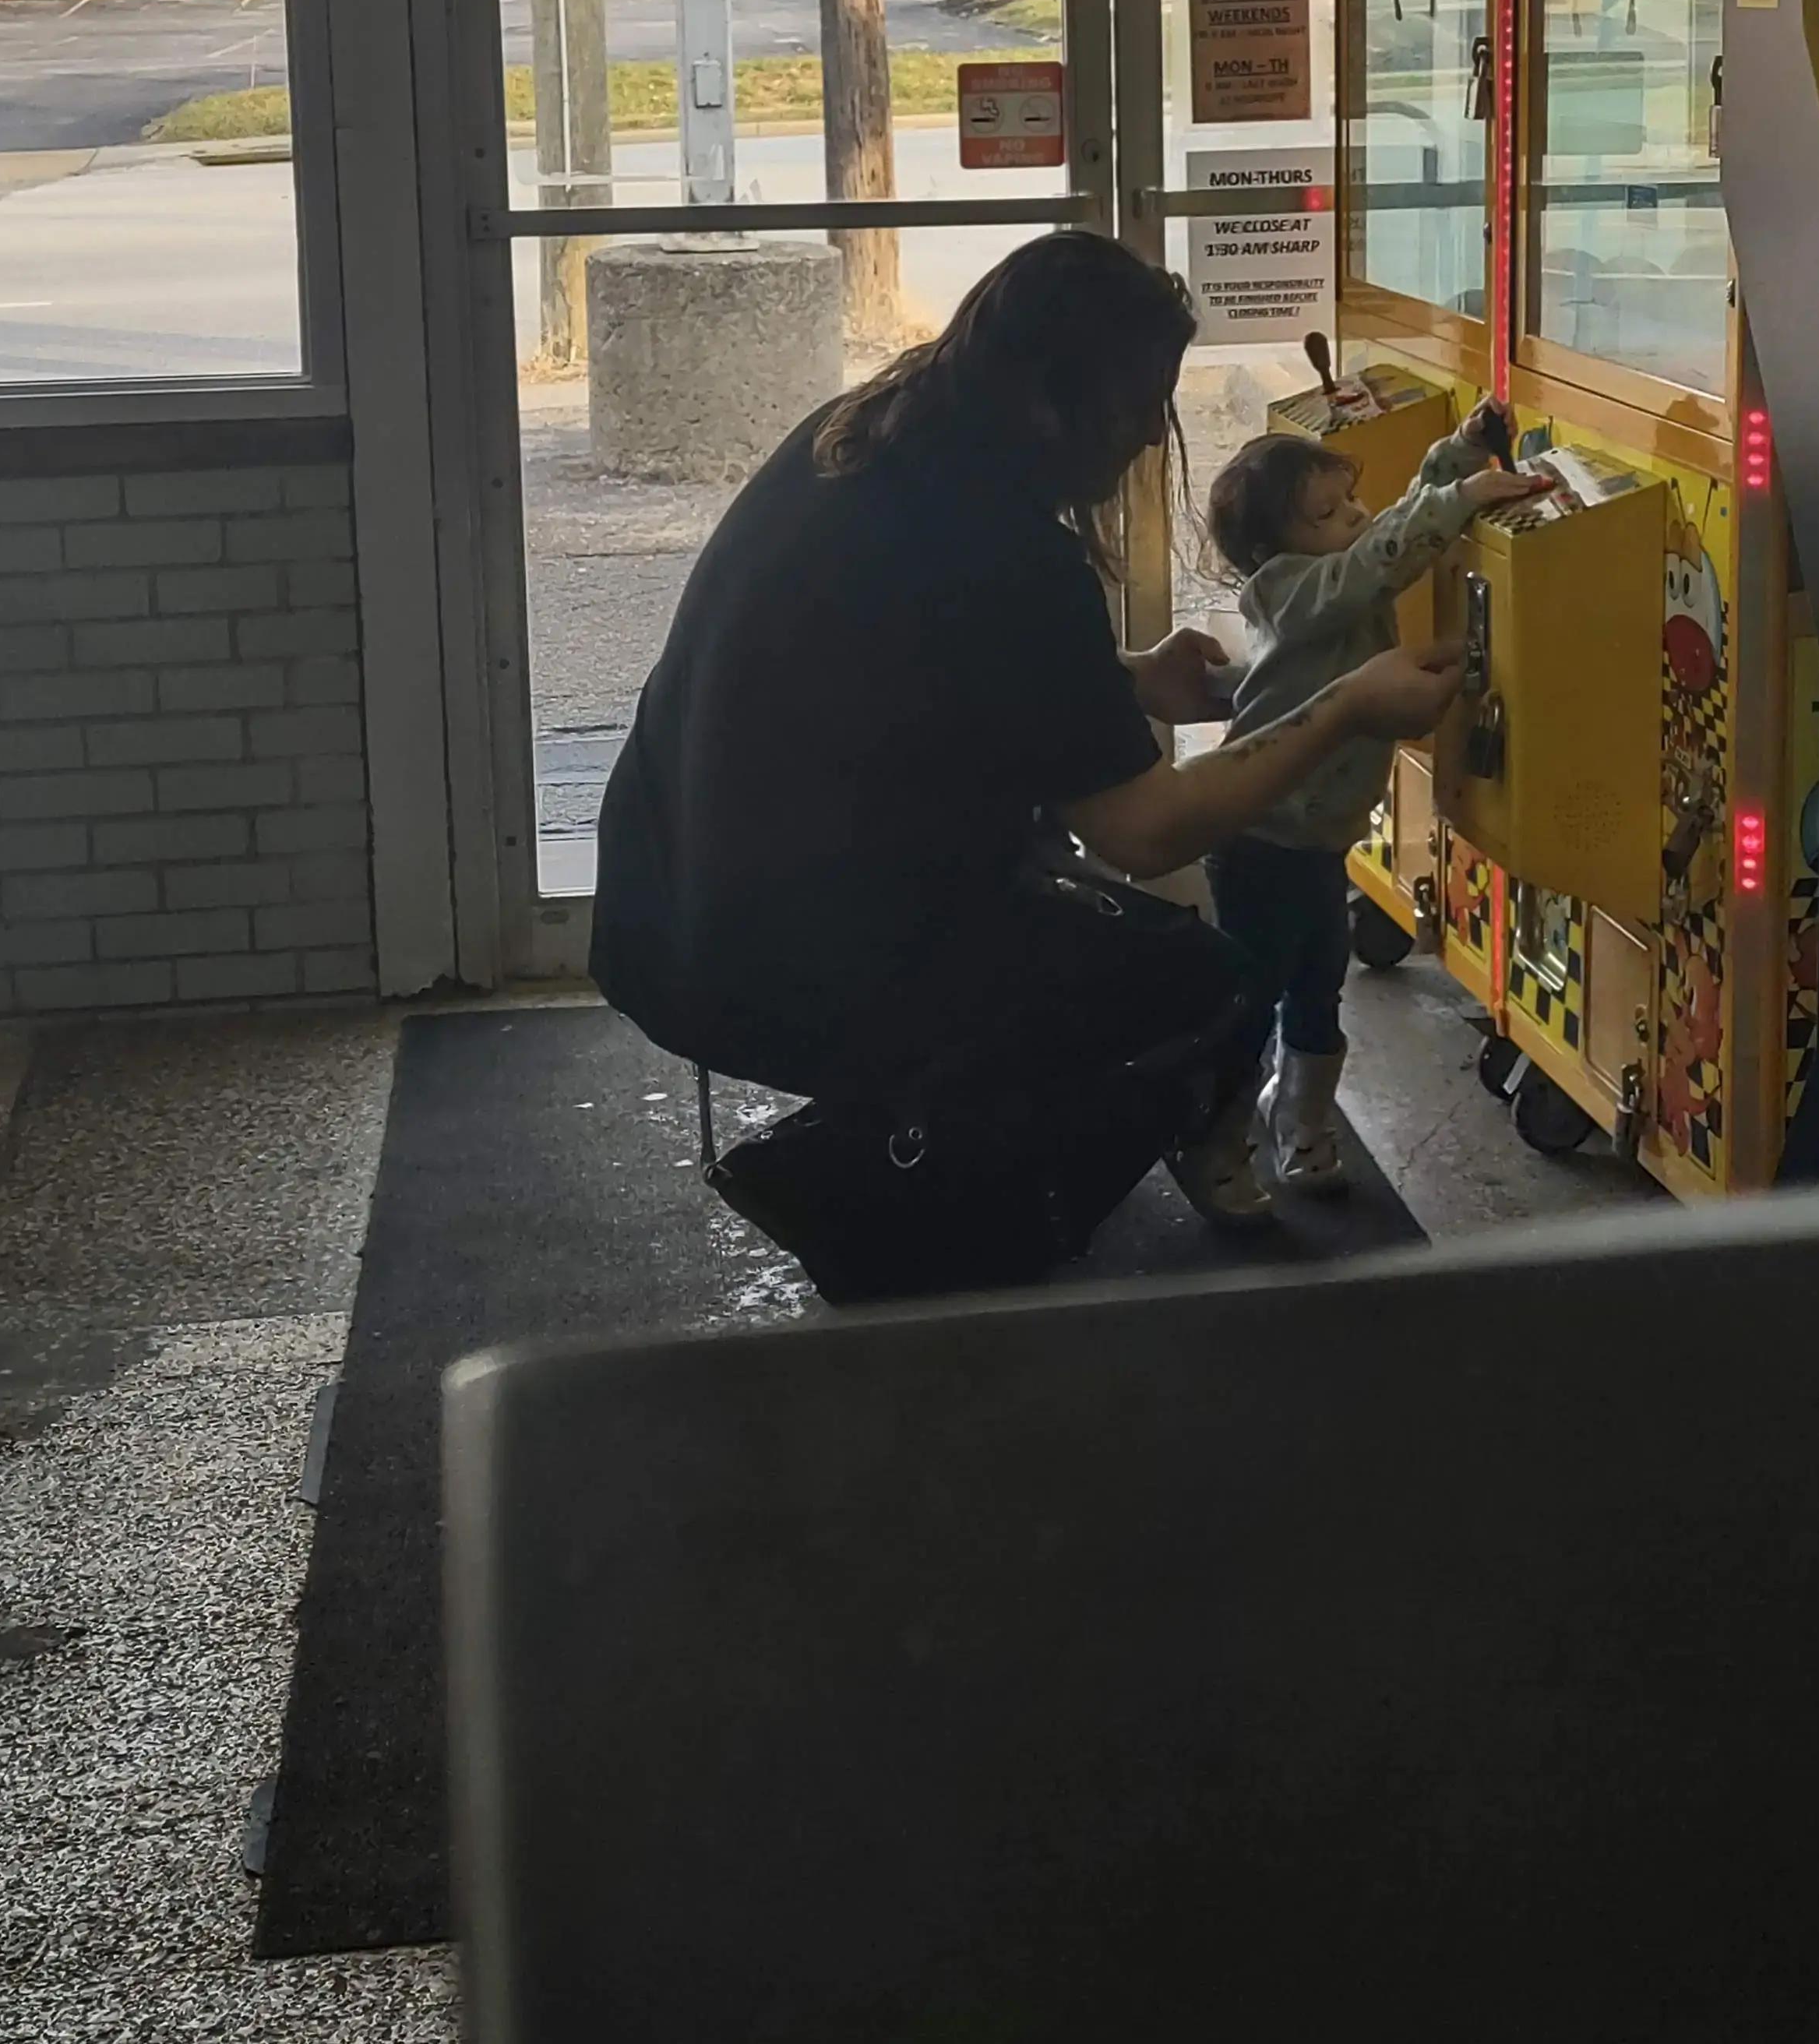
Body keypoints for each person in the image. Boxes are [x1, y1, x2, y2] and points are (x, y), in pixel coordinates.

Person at [589, 231, 1468, 1278]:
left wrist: (1126, 681)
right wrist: (1345, 707)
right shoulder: (1010, 556)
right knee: (1215, 993)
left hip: (659, 903)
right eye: (1139, 402)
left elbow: (919, 680)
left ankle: (930, 1154)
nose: (1152, 435)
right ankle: (941, 1236)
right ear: (1052, 401)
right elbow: (1145, 831)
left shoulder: (859, 440)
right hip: (783, 963)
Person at [1204, 407, 1535, 1191]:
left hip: (1320, 846)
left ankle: (1301, 1119)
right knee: (1249, 1000)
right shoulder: (1292, 591)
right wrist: (1463, 498)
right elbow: (1384, 554)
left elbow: (1389, 526)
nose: (1355, 519)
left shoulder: (1338, 556)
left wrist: (1457, 457)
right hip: (1258, 844)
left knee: (1319, 985)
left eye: (1349, 502)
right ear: (1266, 552)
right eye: (1328, 514)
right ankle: (1217, 1136)